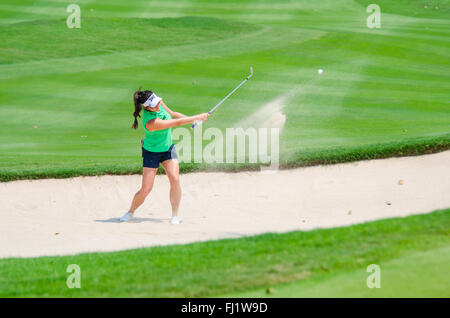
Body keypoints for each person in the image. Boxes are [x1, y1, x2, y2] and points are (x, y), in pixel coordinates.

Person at [119, 88, 209, 224]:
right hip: (151, 152)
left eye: (157, 101)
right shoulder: (150, 122)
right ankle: (130, 211)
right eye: (154, 104)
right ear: (147, 107)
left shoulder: (159, 103)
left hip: (168, 148)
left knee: (175, 179)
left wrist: (192, 121)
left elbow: (173, 114)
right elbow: (175, 123)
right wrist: (197, 117)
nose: (158, 104)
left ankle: (175, 215)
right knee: (146, 189)